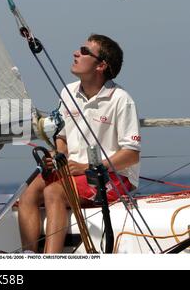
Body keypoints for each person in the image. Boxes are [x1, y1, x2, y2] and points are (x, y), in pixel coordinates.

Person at [18, 34, 141, 253]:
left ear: (101, 65)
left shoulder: (121, 99)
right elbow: (62, 137)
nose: (76, 53)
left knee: (53, 192)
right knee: (27, 196)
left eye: (84, 51)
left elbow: (131, 154)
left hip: (114, 177)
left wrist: (88, 167)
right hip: (74, 170)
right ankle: (29, 256)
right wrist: (58, 156)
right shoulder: (68, 92)